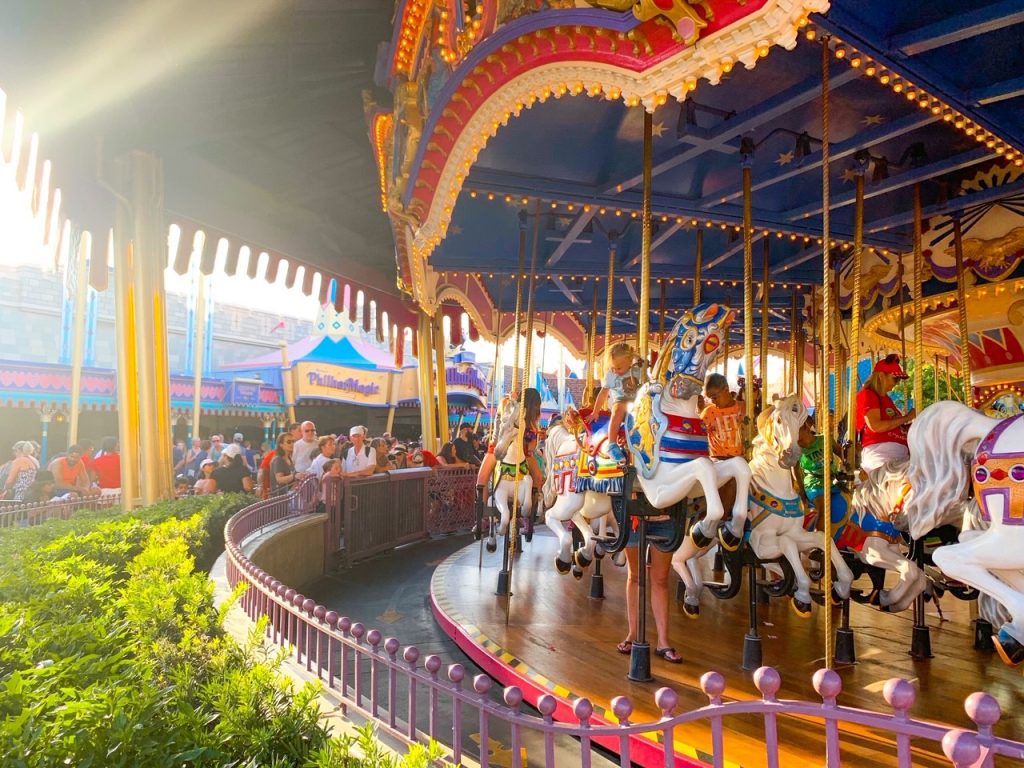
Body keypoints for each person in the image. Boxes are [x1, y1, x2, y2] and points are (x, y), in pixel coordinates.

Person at [618, 512, 682, 665]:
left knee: (660, 579)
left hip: (665, 516)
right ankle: (633, 633)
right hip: (633, 517)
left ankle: (663, 641)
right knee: (635, 575)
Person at [855, 354, 915, 472]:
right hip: (881, 452)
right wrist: (907, 417)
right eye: (895, 379)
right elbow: (876, 425)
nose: (897, 383)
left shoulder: (887, 400)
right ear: (881, 376)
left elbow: (898, 427)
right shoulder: (869, 394)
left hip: (900, 455)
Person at [588, 342, 643, 464]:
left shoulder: (638, 371)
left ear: (629, 362)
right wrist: (595, 412)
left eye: (618, 368)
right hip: (621, 401)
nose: (615, 370)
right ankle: (612, 445)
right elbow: (603, 393)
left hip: (637, 403)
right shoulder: (612, 375)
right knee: (618, 409)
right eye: (613, 367)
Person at [699, 372, 746, 514]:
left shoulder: (742, 408)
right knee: (730, 480)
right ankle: (722, 517)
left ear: (726, 389)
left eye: (715, 397)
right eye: (710, 398)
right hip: (718, 460)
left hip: (739, 458)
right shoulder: (709, 412)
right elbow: (699, 432)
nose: (713, 401)